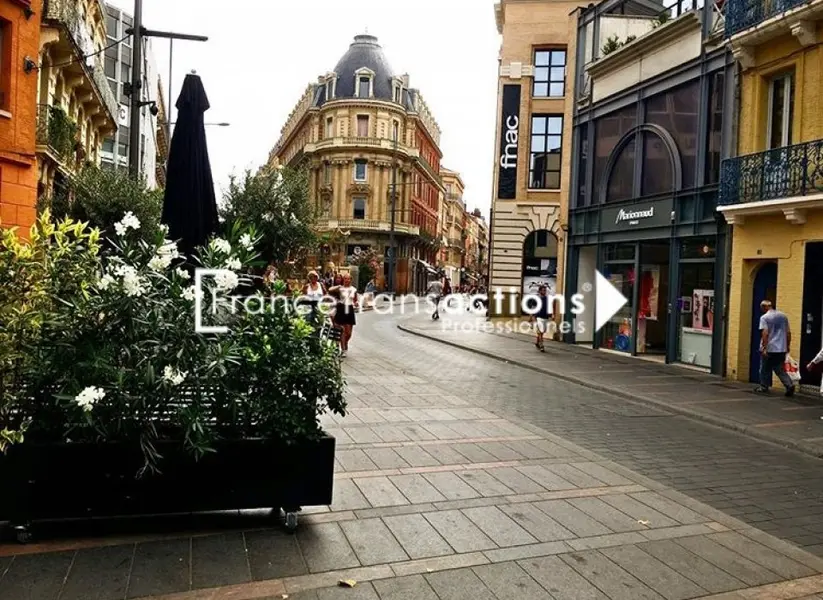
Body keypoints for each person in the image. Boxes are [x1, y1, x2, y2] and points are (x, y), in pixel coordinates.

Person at [755, 300, 794, 396]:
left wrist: (764, 347)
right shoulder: (783, 316)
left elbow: (765, 333)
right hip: (781, 348)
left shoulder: (764, 317)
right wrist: (787, 345)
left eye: (762, 308)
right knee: (779, 369)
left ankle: (764, 386)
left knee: (764, 368)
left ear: (764, 307)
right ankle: (789, 384)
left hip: (770, 347)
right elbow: (788, 333)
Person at [329, 273, 358, 357]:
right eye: (345, 279)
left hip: (349, 309)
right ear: (343, 279)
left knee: (348, 333)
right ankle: (344, 349)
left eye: (348, 279)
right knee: (342, 331)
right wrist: (339, 286)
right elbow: (330, 290)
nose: (347, 280)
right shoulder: (340, 288)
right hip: (341, 308)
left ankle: (344, 343)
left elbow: (355, 300)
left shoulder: (353, 289)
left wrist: (356, 303)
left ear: (351, 280)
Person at [529, 285, 550, 352]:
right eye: (543, 290)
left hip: (545, 317)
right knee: (540, 331)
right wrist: (531, 318)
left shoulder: (547, 298)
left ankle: (538, 342)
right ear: (540, 291)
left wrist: (552, 315)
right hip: (537, 317)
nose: (544, 291)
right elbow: (532, 308)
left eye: (545, 290)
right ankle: (541, 345)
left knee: (542, 332)